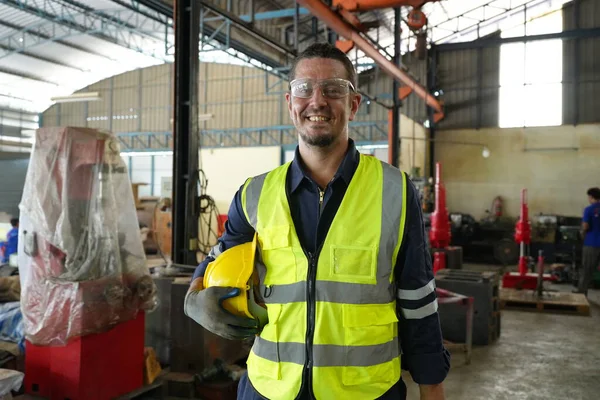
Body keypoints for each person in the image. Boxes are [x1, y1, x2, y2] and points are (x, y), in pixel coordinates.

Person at [185, 42, 450, 400]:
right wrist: (194, 294)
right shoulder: (254, 194)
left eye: (333, 89)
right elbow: (219, 259)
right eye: (304, 89)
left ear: (353, 104)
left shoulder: (395, 191)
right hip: (269, 388)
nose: (318, 101)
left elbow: (418, 295)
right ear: (290, 104)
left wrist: (431, 387)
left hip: (364, 392)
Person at [575, 187, 600, 295]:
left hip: (592, 243)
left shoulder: (589, 209)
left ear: (590, 197)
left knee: (587, 270)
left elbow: (585, 226)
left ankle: (582, 293)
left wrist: (581, 234)